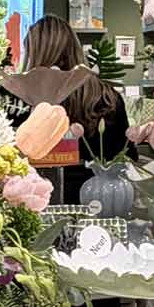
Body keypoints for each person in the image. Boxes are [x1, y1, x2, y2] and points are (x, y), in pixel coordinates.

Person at [16, 16, 130, 207]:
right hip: (97, 200)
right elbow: (126, 155)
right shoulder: (108, 98)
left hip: (35, 199)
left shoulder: (20, 101)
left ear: (33, 53)